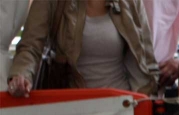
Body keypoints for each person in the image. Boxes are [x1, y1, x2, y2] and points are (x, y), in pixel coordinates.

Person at [7, 0, 158, 98]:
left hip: (124, 108)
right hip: (75, 112)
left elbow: (147, 60)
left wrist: (148, 99)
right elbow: (31, 45)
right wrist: (21, 76)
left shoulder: (132, 2)